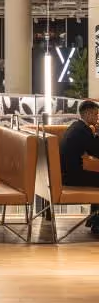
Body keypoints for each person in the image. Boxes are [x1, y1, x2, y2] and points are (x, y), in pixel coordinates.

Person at [59, 99, 99, 232]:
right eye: (95, 114)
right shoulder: (83, 130)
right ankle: (97, 222)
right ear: (87, 114)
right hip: (71, 177)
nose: (97, 117)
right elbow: (96, 152)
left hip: (65, 174)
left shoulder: (76, 126)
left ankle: (95, 220)